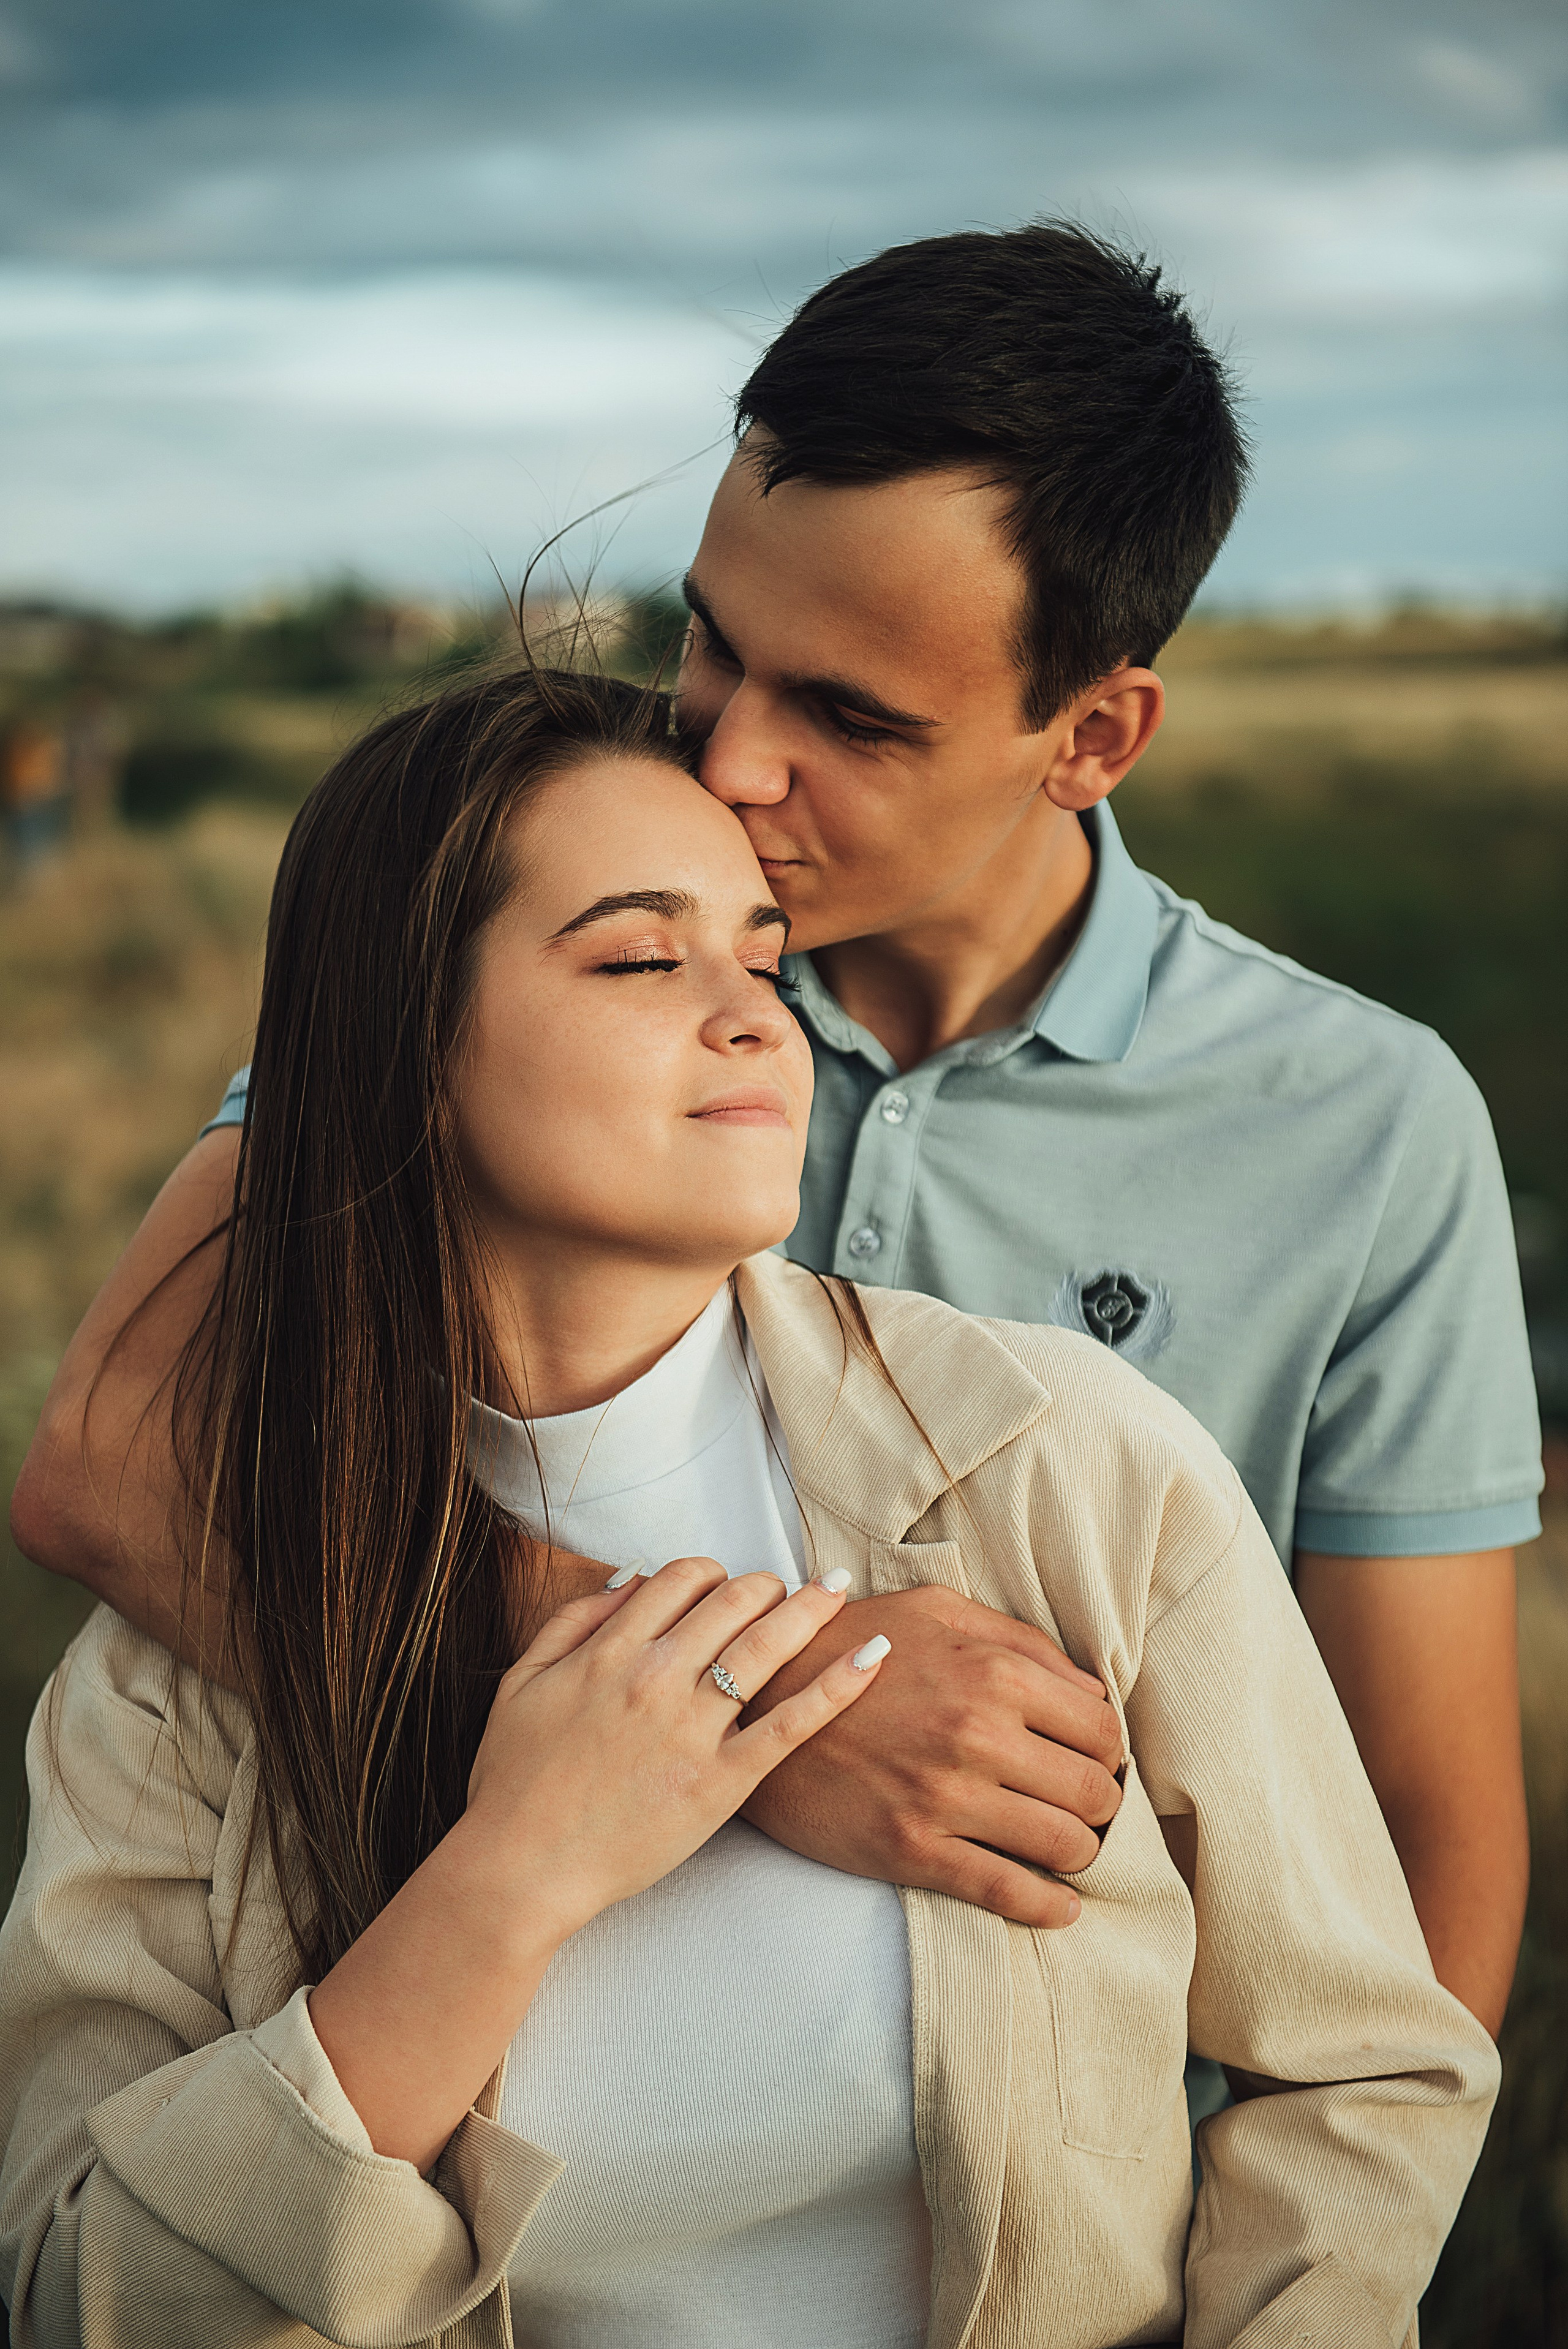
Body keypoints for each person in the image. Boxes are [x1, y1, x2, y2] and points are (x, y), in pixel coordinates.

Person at [13, 224, 1540, 2041]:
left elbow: (1425, 1862)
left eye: (849, 716)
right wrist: (765, 1705)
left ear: (1096, 734)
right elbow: (116, 1452)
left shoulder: (1365, 1126)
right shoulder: (539, 955)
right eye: (715, 643)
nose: (729, 763)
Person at [0, 669, 1499, 2349]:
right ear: (402, 1052)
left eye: (765, 957)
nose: (752, 1015)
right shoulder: (182, 1661)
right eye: (643, 957)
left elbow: (1367, 2070)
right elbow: (75, 2294)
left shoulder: (1069, 1466)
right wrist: (506, 1881)